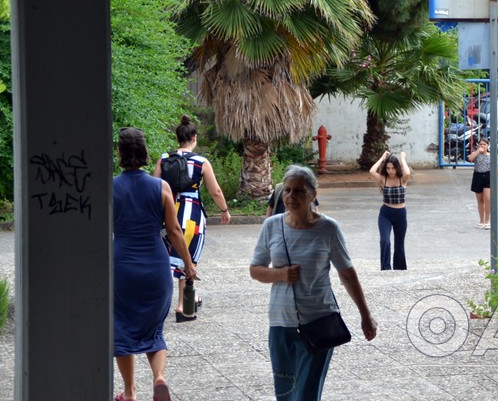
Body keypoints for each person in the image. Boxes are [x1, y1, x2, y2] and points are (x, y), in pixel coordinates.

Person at [249, 165, 377, 401]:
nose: (291, 196)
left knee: (307, 394)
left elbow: (347, 273)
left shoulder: (328, 228)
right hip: (280, 323)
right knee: (285, 392)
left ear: (313, 195)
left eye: (298, 191)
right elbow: (255, 270)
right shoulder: (272, 226)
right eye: (287, 190)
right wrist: (280, 275)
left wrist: (365, 315)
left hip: (319, 320)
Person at [113, 127, 198, 401]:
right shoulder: (161, 186)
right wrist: (189, 264)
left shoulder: (110, 187)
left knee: (122, 328)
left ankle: (129, 392)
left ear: (119, 153)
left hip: (123, 264)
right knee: (154, 328)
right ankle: (159, 378)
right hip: (155, 265)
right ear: (145, 153)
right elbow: (174, 231)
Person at [153, 115, 230, 322]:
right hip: (192, 214)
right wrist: (224, 209)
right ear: (194, 138)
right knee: (187, 257)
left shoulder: (164, 158)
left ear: (178, 138)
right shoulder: (201, 162)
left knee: (168, 257)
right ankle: (183, 307)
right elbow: (215, 191)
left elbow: (154, 186)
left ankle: (163, 304)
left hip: (167, 212)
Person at [369, 150, 412, 270]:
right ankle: (385, 268)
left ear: (397, 168)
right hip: (385, 214)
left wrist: (402, 158)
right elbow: (372, 171)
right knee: (385, 241)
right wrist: (382, 158)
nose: (390, 171)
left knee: (399, 244)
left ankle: (399, 269)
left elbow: (407, 172)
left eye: (393, 168)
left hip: (400, 214)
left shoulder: (402, 179)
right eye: (388, 168)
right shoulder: (383, 179)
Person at [467, 138, 498, 229]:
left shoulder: (491, 155)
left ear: (488, 146)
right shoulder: (476, 154)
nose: (482, 146)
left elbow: (496, 168)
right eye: (481, 144)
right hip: (478, 176)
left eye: (484, 144)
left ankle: (488, 220)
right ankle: (481, 220)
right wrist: (477, 151)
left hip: (488, 176)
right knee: (480, 200)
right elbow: (469, 158)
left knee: (487, 198)